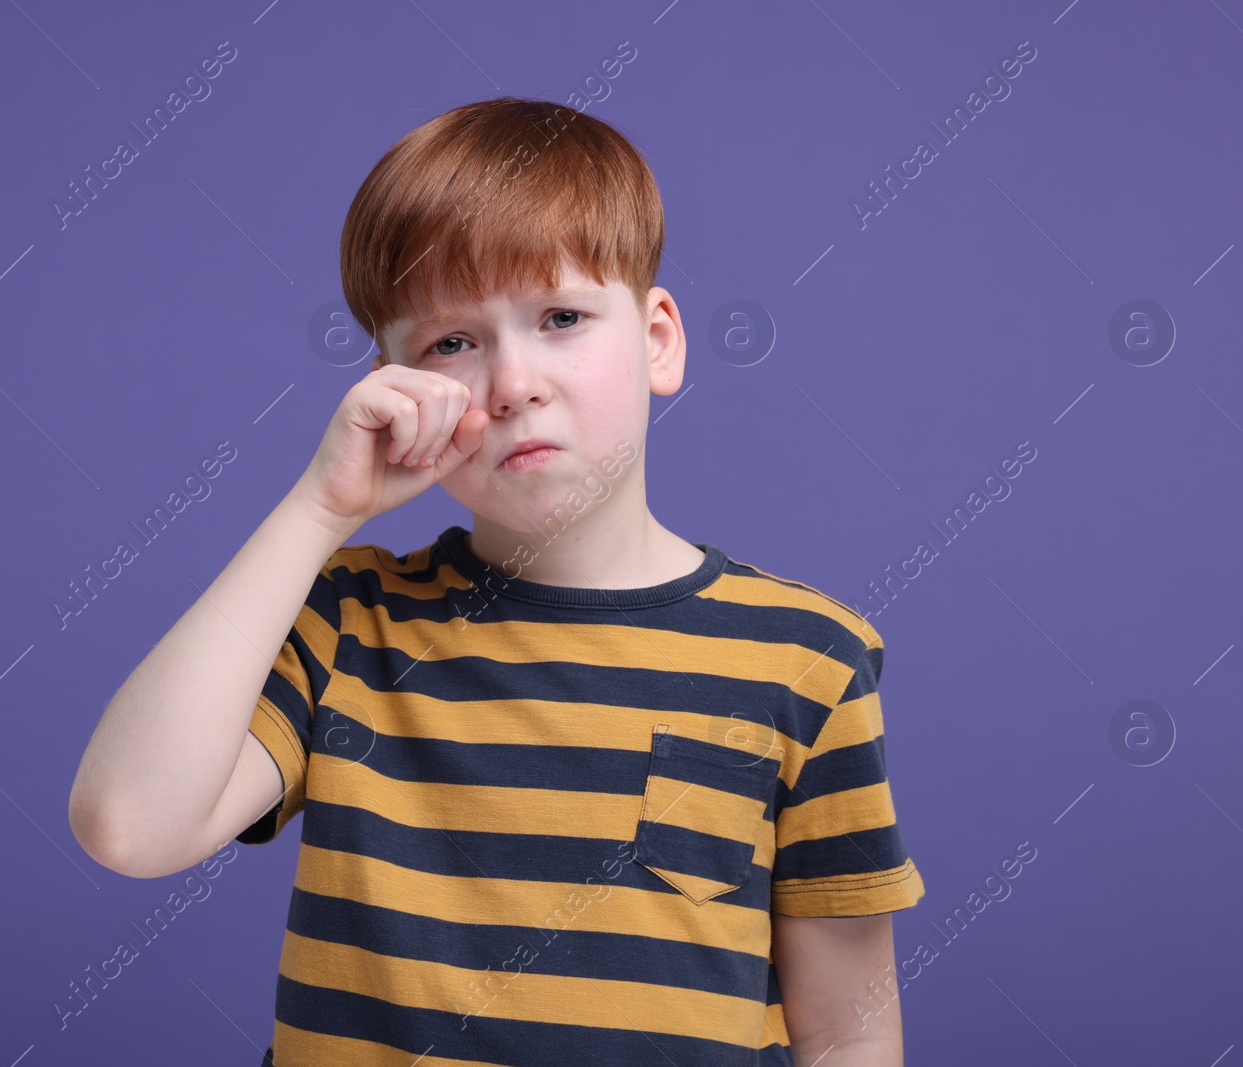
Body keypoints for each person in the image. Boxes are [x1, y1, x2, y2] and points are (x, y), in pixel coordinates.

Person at [69, 96, 925, 1067]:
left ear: (657, 339)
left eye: (560, 316)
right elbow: (128, 825)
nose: (511, 381)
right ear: (389, 385)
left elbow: (848, 1034)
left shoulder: (806, 658)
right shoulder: (351, 622)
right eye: (450, 343)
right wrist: (319, 508)